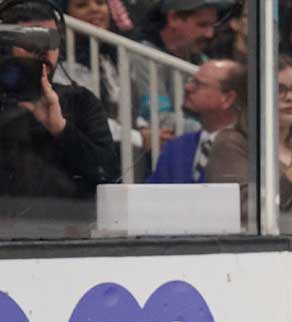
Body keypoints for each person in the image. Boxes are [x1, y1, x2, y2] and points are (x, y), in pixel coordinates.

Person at [0, 1, 118, 198]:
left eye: (51, 39)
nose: (44, 49)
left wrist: (62, 129)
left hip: (67, 223)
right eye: (32, 38)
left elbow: (109, 175)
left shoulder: (81, 101)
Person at [205, 56, 292, 222]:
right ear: (252, 95)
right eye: (279, 89)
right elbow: (244, 212)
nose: (290, 97)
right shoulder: (231, 143)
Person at [134, 0, 231, 142]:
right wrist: (216, 131)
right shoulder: (142, 55)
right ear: (174, 18)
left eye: (212, 26)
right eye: (202, 25)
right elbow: (159, 119)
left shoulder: (201, 59)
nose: (210, 34)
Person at [147, 59, 243, 183]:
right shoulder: (175, 147)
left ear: (228, 98)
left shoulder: (248, 150)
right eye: (191, 81)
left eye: (199, 84)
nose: (187, 87)